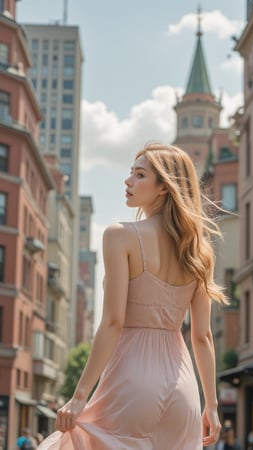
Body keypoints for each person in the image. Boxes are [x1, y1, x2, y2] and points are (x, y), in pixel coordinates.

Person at [38, 143, 228, 449]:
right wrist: (212, 405)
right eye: (131, 173)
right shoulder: (199, 251)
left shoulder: (119, 235)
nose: (128, 181)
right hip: (185, 391)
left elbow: (113, 321)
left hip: (131, 379)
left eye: (139, 175)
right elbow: (203, 337)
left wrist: (79, 396)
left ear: (164, 188)